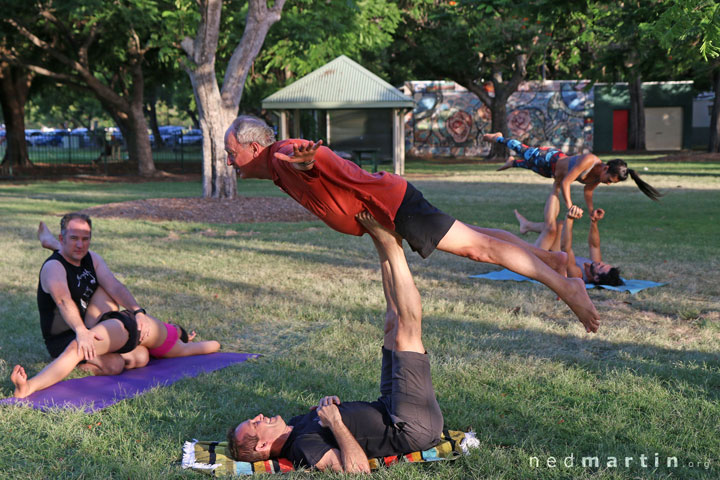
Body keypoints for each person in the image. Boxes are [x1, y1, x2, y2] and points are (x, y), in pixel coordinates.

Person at [225, 115, 599, 333]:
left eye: (231, 153)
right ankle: (548, 259)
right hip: (391, 201)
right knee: (477, 237)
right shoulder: (277, 167)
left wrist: (306, 161)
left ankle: (567, 286)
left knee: (478, 248)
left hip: (393, 206)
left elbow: (309, 157)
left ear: (254, 148)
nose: (229, 162)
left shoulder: (282, 155)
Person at [227, 212, 443, 473]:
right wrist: (337, 423)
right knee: (405, 334)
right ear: (263, 445)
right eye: (255, 424)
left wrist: (330, 408)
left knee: (391, 324)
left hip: (388, 406)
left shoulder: (295, 425)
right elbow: (356, 470)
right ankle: (391, 245)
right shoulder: (302, 448)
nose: (259, 416)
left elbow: (336, 424)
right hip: (410, 427)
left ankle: (381, 241)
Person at [9, 215, 221, 398]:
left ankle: (50, 241)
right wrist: (82, 332)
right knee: (106, 355)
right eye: (74, 238)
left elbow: (115, 286)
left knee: (136, 358)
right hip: (68, 335)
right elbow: (64, 300)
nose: (81, 244)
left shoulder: (91, 258)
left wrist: (138, 311)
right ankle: (30, 388)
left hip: (97, 325)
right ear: (63, 237)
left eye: (85, 239)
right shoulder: (53, 268)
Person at [484, 132, 661, 251]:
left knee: (531, 166)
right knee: (525, 151)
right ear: (606, 168)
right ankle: (499, 138)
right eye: (608, 180)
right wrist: (570, 206)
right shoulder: (589, 161)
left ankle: (513, 163)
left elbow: (588, 192)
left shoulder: (597, 177)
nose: (606, 184)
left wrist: (591, 212)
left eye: (610, 184)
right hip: (550, 159)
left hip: (552, 173)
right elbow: (568, 182)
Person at [514, 208, 624, 286]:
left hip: (537, 266)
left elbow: (566, 248)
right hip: (552, 257)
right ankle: (527, 226)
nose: (600, 262)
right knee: (560, 225)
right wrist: (594, 222)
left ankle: (556, 186)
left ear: (596, 278)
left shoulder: (577, 274)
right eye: (603, 264)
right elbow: (594, 245)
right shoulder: (594, 266)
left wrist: (570, 219)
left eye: (600, 266)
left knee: (550, 231)